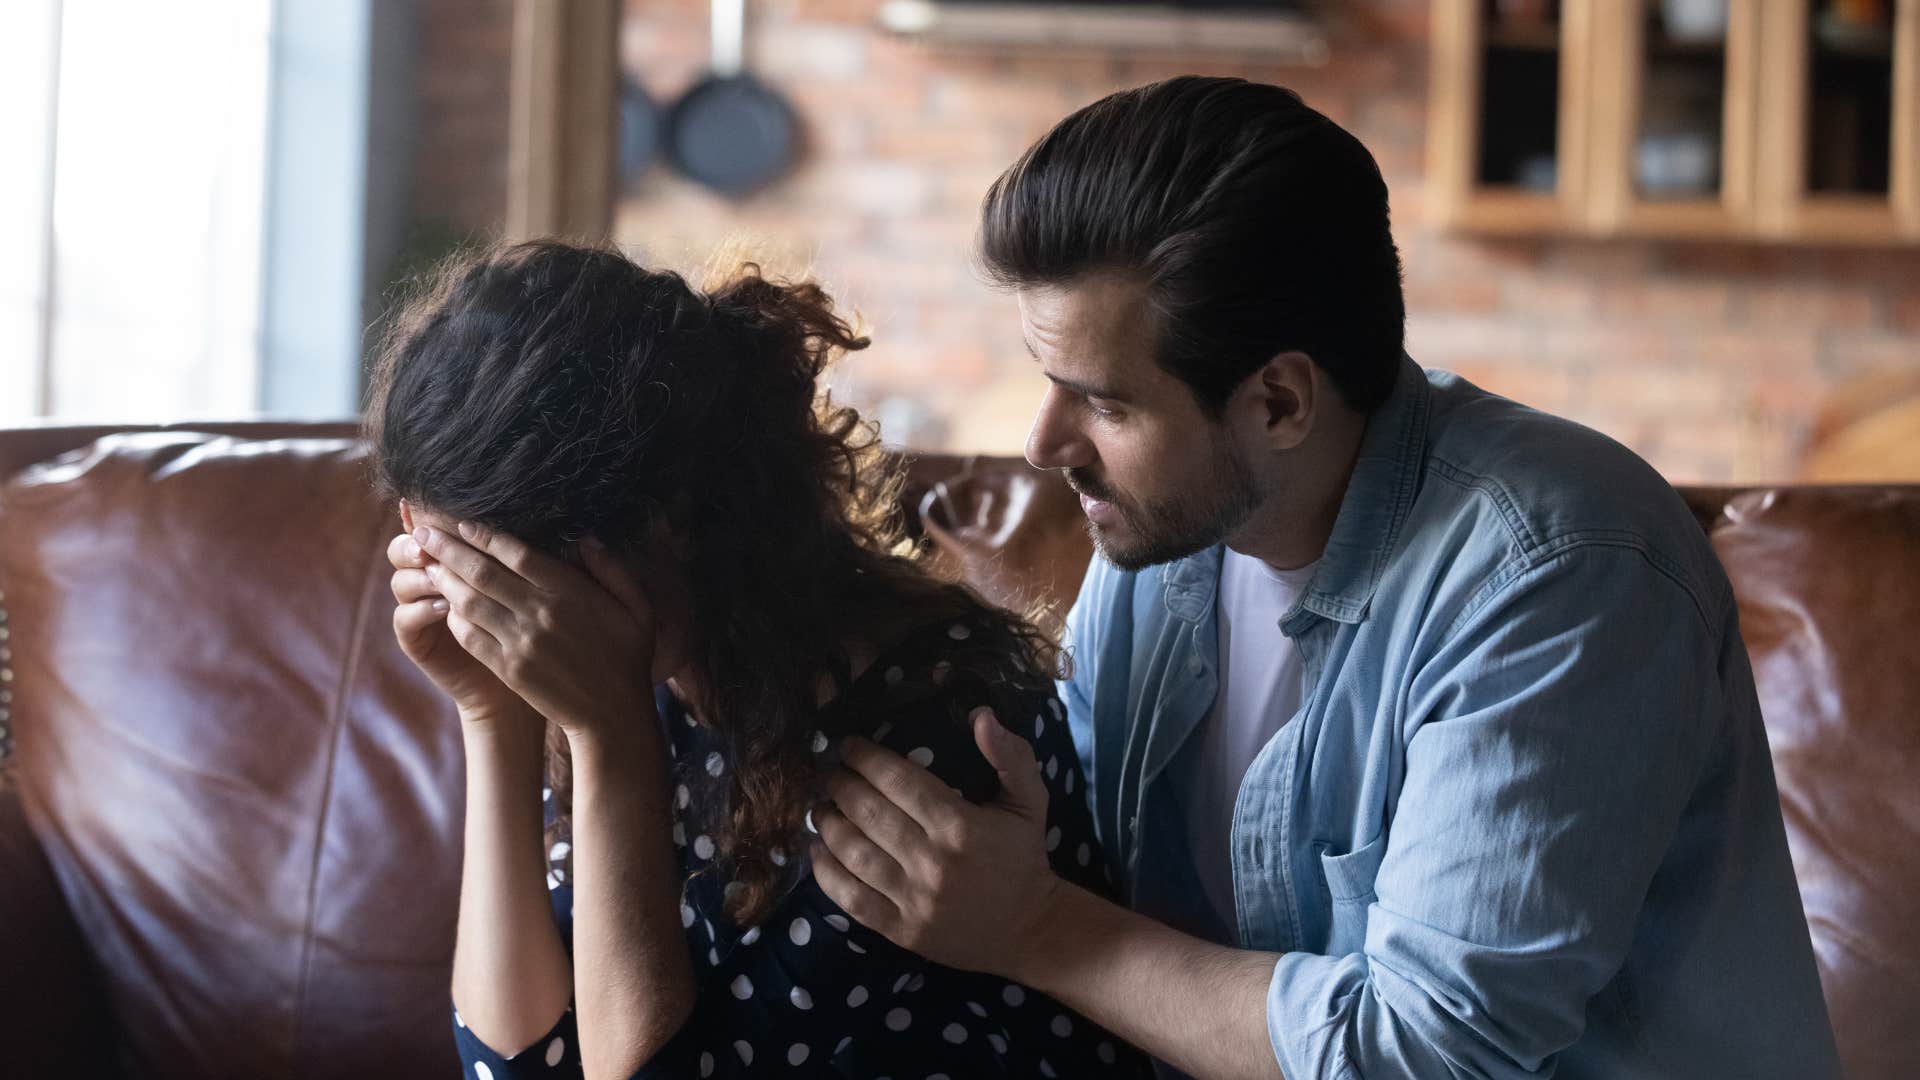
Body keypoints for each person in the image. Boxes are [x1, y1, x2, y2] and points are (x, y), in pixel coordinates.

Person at [811, 76, 1843, 1079]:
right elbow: (1097, 867)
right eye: (1050, 386)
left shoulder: (1559, 571)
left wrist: (1036, 925)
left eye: (1105, 405)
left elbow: (1430, 1054)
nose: (1043, 445)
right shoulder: (1158, 537)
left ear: (1279, 402)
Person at [363, 240, 1149, 1078]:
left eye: (503, 575)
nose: (487, 614)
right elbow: (518, 1065)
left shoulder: (931, 730)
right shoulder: (662, 686)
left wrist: (613, 739)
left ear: (671, 519)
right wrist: (494, 713)